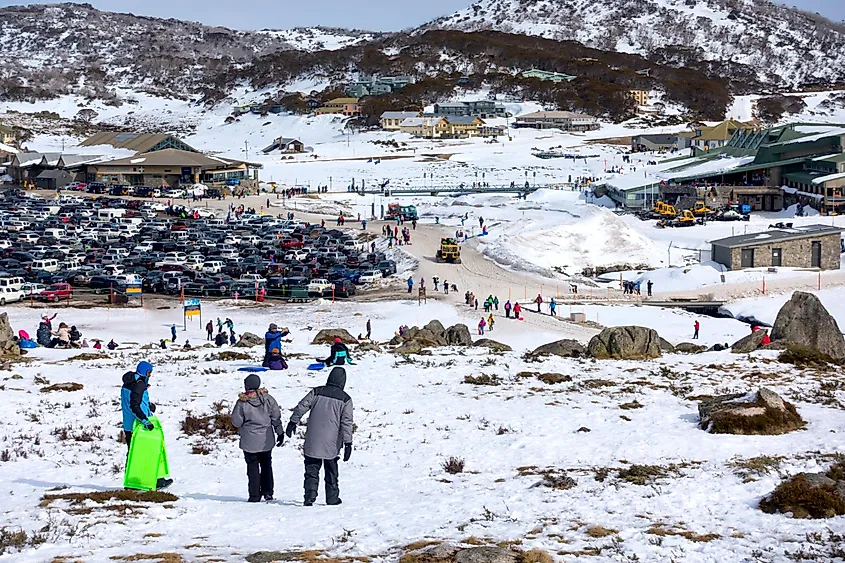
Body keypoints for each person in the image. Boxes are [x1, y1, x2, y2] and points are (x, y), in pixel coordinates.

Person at [286, 367, 354, 506]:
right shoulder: (346, 399)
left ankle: (309, 496)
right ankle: (332, 498)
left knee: (311, 469)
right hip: (332, 441)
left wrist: (293, 421)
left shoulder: (317, 391)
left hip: (313, 438)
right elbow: (346, 423)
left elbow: (302, 406)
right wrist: (348, 443)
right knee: (331, 470)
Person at [231, 374, 284, 502]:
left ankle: (254, 495)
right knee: (266, 464)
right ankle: (268, 492)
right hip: (266, 439)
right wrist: (280, 432)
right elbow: (276, 418)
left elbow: (236, 422)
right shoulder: (269, 399)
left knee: (252, 467)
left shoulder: (242, 402)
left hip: (249, 440)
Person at [121, 361, 156, 453]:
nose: (150, 375)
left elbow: (133, 399)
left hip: (129, 424)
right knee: (139, 455)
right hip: (138, 426)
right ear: (144, 372)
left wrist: (148, 406)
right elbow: (134, 406)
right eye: (149, 373)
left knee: (132, 454)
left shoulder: (130, 382)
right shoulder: (139, 385)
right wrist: (145, 420)